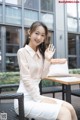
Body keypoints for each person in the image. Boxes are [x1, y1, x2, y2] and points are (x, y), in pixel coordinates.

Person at [14, 21, 78, 120]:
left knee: (70, 107)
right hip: (24, 100)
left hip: (36, 97)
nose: (39, 37)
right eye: (37, 33)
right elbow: (26, 79)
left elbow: (43, 76)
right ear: (29, 32)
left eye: (42, 35)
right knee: (64, 113)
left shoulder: (40, 54)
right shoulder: (22, 52)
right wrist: (39, 99)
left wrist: (47, 59)